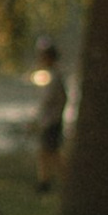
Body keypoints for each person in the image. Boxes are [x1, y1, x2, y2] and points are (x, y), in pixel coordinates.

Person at [30, 35, 68, 195]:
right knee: (47, 153)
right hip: (49, 121)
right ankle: (45, 181)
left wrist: (41, 119)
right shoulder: (51, 76)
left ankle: (56, 182)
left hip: (51, 121)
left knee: (50, 153)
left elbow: (50, 101)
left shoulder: (54, 77)